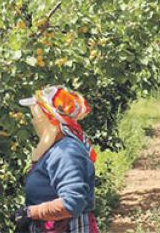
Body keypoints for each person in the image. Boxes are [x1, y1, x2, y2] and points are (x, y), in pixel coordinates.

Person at [12, 86, 98, 233]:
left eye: (38, 117)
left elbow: (71, 203)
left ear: (52, 120)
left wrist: (29, 213)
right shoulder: (55, 148)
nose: (34, 122)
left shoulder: (66, 152)